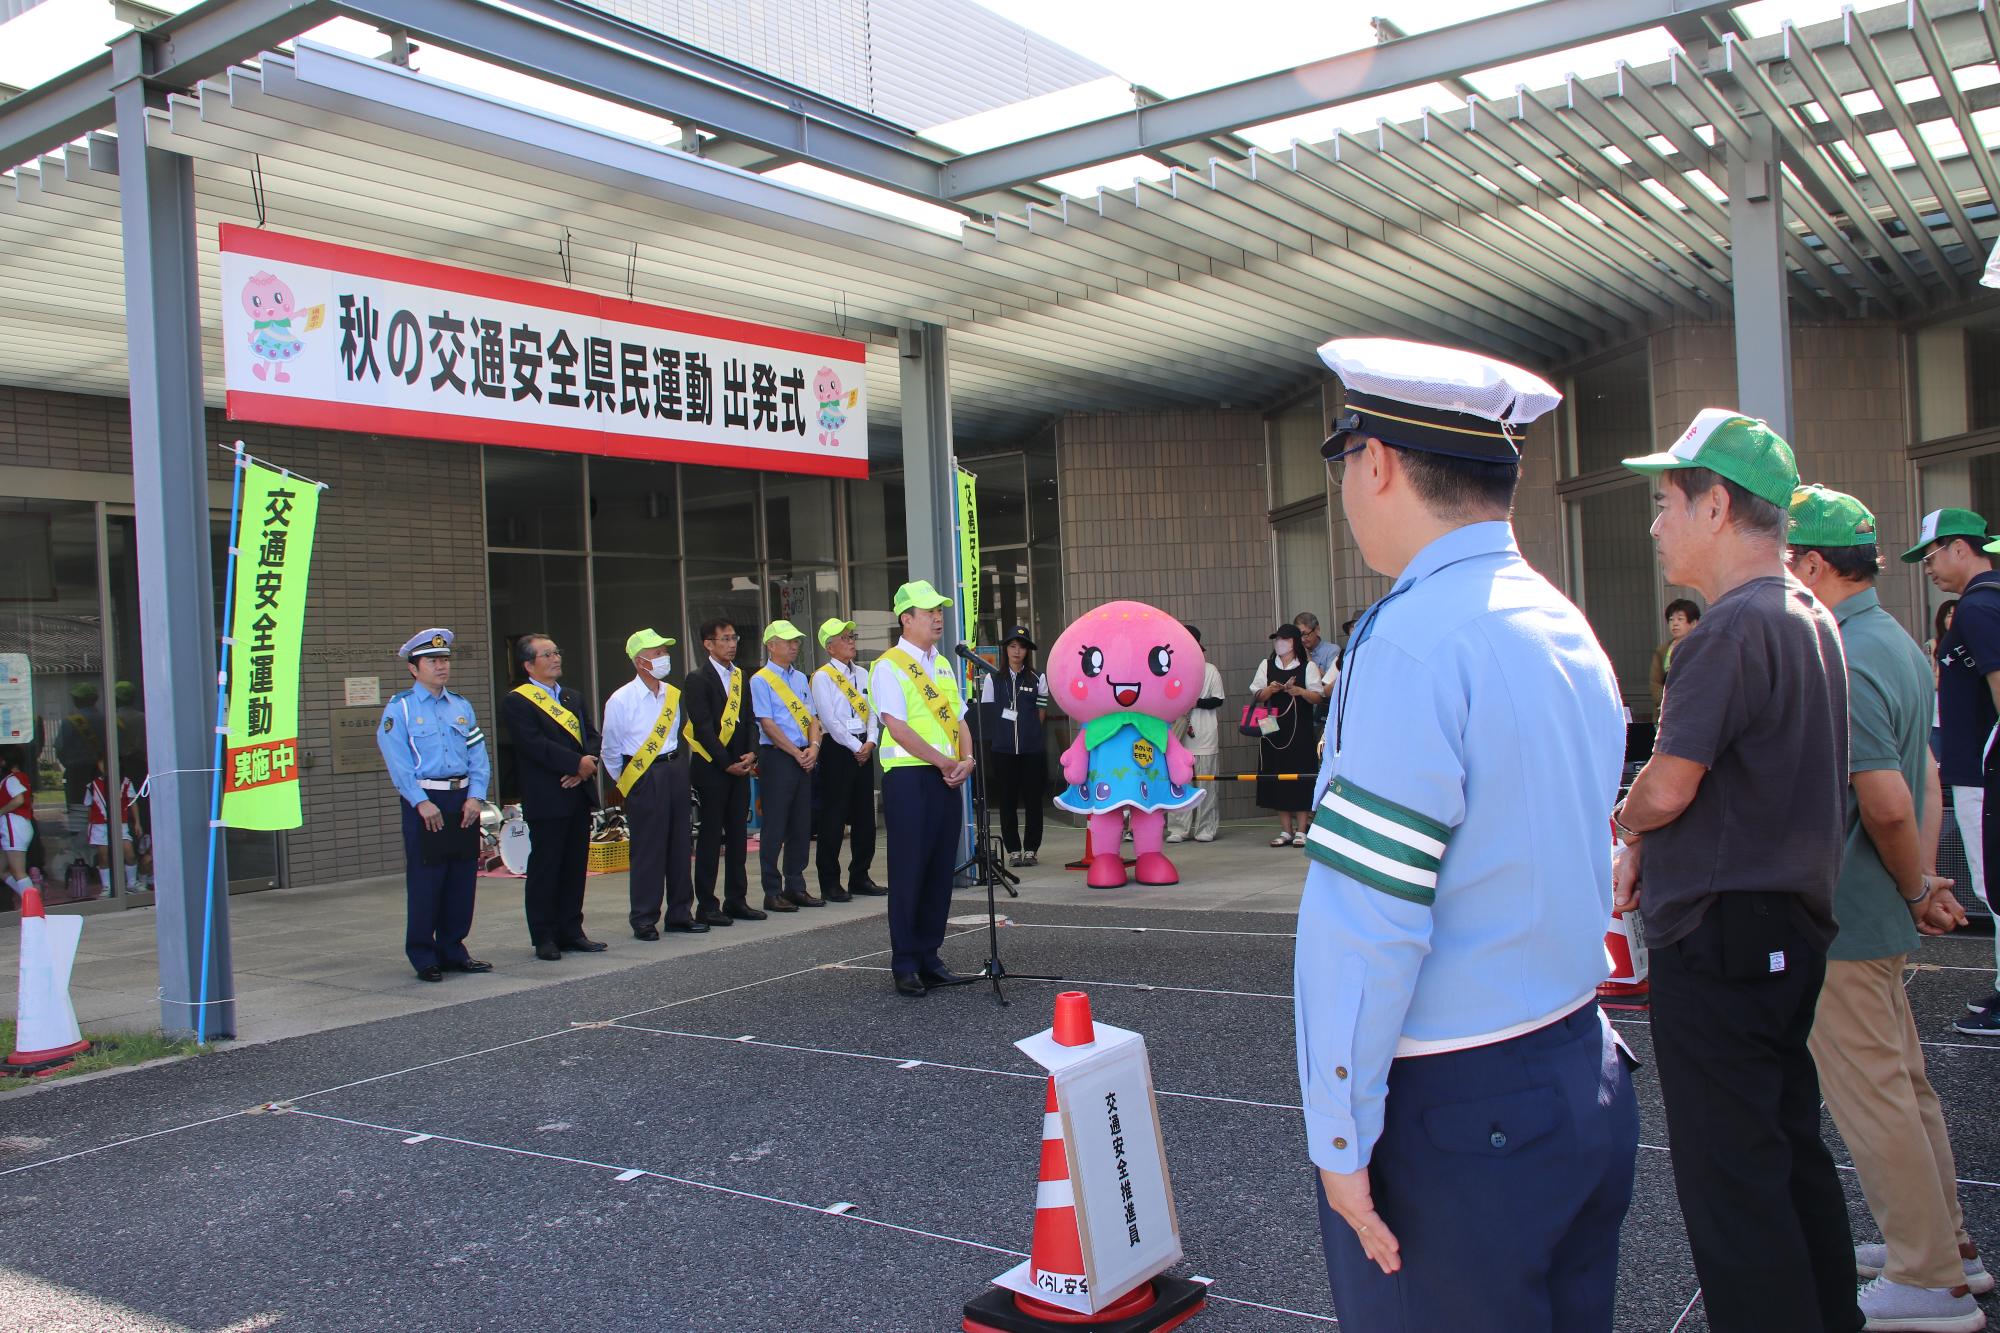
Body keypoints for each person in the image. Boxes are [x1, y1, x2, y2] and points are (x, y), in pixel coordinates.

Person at [1298, 338, 1634, 1329]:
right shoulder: (1562, 622)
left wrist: (1339, 1129)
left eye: (1344, 460)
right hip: (1579, 1062)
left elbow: (1369, 914)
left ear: (1376, 462)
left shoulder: (1408, 638)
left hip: (1454, 1107)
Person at [1614, 411, 1860, 1333]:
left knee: (1730, 1176)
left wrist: (1626, 817)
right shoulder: (1811, 616)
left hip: (1720, 931)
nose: (1655, 523)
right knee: (1787, 1147)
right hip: (1789, 923)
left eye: (1664, 502)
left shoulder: (1723, 633)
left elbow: (1671, 785)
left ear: (1716, 505)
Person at [1788, 484, 1990, 1333]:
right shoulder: (1898, 641)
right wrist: (1926, 886)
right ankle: (1946, 1246)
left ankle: (1929, 1275)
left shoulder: (1844, 649)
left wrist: (1913, 885)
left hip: (1854, 912)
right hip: (1885, 910)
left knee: (1872, 1097)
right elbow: (1927, 781)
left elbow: (1885, 800)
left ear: (1805, 563)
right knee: (1905, 1088)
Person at [1905, 509, 2000, 1027]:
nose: (1928, 567)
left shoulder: (1979, 608)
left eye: (1932, 554)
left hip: (1984, 777)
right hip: (1979, 773)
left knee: (1994, 887)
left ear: (1960, 547)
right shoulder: (1985, 602)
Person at [870, 579, 973, 998]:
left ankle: (931, 956)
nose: (937, 616)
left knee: (938, 872)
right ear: (905, 619)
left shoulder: (944, 664)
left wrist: (967, 760)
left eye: (940, 609)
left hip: (947, 777)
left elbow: (961, 718)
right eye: (928, 610)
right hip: (910, 778)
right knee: (910, 870)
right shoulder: (888, 665)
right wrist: (945, 761)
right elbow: (896, 725)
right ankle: (905, 962)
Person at [376, 628, 494, 982]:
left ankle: (453, 949)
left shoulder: (461, 705)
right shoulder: (401, 708)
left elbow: (478, 756)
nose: (441, 666)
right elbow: (396, 760)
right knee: (427, 878)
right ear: (414, 668)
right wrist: (419, 801)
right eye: (432, 661)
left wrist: (476, 795)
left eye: (444, 660)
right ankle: (423, 955)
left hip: (463, 799)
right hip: (426, 801)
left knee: (461, 876)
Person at [499, 633, 606, 962]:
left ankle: (572, 930)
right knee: (546, 866)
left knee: (575, 865)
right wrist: (575, 763)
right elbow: (533, 745)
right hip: (547, 794)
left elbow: (591, 734)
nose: (556, 658)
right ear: (529, 665)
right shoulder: (517, 701)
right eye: (547, 654)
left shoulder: (572, 697)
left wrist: (585, 765)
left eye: (556, 652)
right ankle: (544, 935)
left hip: (578, 791)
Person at [602, 629, 703, 942]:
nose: (663, 658)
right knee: (648, 850)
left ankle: (680, 913)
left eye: (664, 652)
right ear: (639, 660)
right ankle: (644, 918)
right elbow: (610, 749)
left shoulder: (670, 693)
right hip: (644, 774)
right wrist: (629, 783)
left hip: (674, 769)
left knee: (680, 844)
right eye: (657, 653)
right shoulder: (621, 699)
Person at [684, 619, 762, 927]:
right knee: (711, 835)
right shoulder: (697, 679)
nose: (732, 644)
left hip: (741, 766)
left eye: (734, 638)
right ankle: (706, 904)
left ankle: (736, 899)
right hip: (712, 768)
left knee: (738, 835)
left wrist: (752, 753)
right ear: (708, 644)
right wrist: (726, 761)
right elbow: (702, 727)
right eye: (725, 639)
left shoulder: (741, 676)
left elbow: (751, 719)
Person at [810, 617, 883, 902]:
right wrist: (856, 746)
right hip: (838, 749)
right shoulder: (822, 677)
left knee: (865, 815)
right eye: (845, 638)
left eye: (852, 636)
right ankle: (829, 882)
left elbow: (873, 711)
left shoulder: (864, 674)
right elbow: (829, 719)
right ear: (830, 647)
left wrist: (871, 742)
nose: (852, 641)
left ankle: (860, 876)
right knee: (834, 817)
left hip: (864, 747)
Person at [752, 619, 822, 912]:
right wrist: (796, 752)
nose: (794, 646)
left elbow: (813, 719)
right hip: (779, 756)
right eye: (788, 641)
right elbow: (767, 724)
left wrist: (814, 748)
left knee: (800, 823)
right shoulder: (761, 679)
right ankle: (772, 889)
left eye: (796, 641)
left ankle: (796, 884)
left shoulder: (799, 678)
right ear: (771, 645)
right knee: (775, 825)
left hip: (804, 755)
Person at [978, 625, 1050, 867]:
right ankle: (1013, 850)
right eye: (1012, 646)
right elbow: (988, 712)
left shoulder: (1038, 678)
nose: (1017, 651)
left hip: (1032, 750)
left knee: (1033, 800)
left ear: (1027, 651)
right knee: (1007, 800)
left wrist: (1029, 732)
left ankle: (1031, 848)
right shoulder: (992, 679)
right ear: (1005, 649)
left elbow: (1041, 712)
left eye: (1021, 647)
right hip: (1002, 750)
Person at [1250, 624, 1323, 846]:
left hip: (1299, 729)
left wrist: (1299, 691)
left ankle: (1301, 830)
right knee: (1277, 774)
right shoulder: (1266, 664)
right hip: (1273, 728)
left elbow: (1318, 698)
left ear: (1294, 642)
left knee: (1300, 775)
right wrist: (1272, 689)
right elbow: (1258, 695)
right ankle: (1285, 830)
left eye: (1284, 639)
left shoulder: (1307, 666)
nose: (1279, 643)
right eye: (1277, 639)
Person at [1167, 624, 1226, 844]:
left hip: (1204, 735)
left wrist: (1194, 702)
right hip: (1177, 735)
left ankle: (1206, 827)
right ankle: (1178, 828)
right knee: (1178, 782)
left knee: (1206, 784)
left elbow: (1218, 699)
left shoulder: (1209, 670)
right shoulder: (1170, 670)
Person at [85, 756, 140, 893]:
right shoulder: (92, 785)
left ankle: (132, 883)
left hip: (121, 824)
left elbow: (133, 804)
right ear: (99, 765)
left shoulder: (126, 782)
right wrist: (89, 827)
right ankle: (107, 886)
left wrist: (137, 823)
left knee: (130, 853)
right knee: (103, 857)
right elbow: (88, 807)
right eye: (103, 763)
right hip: (99, 825)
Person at [1647, 597, 1702, 713]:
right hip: (1667, 709)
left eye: (1680, 619)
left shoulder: (1702, 648)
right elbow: (1655, 682)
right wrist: (1666, 702)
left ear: (1694, 623)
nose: (1675, 624)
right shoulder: (1662, 650)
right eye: (1671, 620)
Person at [0, 745, 34, 910]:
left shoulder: (11, 779)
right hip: (18, 825)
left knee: (18, 870)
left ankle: (32, 901)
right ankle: (29, 894)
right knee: (2, 869)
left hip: (14, 826)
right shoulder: (22, 777)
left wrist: (1, 811)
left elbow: (19, 799)